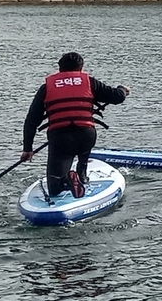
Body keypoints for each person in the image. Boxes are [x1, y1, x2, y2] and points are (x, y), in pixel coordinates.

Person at [21, 52, 130, 198]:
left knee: (54, 188)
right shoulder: (90, 82)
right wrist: (122, 89)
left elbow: (31, 120)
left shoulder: (46, 87)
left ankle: (66, 181)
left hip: (60, 138)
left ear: (59, 69)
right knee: (84, 149)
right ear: (81, 68)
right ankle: (81, 176)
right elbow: (117, 97)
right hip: (86, 135)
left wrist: (28, 149)